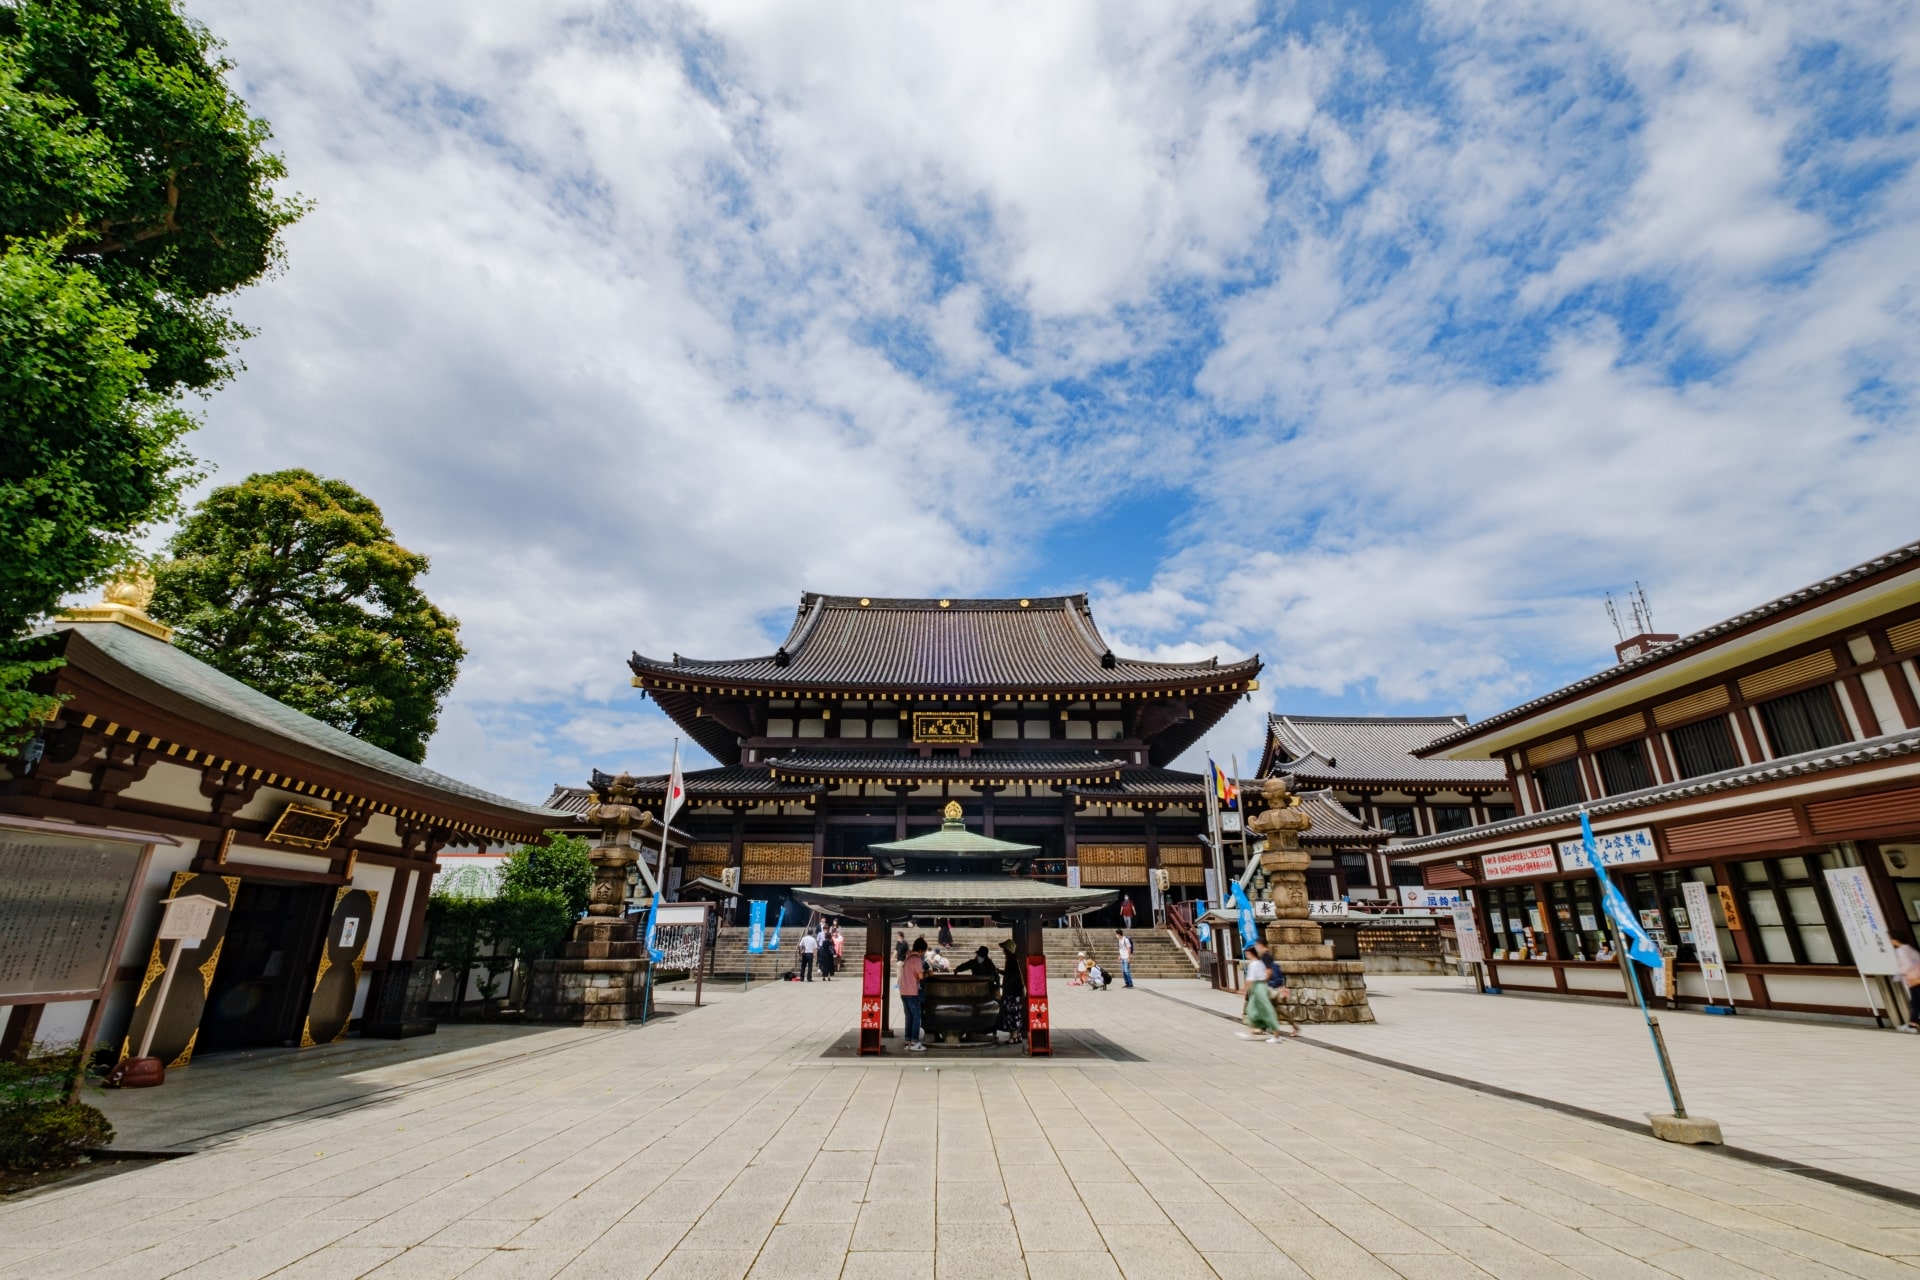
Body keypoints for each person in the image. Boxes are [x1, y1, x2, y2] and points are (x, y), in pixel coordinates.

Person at [1238, 944, 1284, 1041]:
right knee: (1253, 1010)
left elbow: (1250, 979)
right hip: (1260, 986)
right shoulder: (1259, 962)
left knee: (1266, 1010)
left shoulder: (1254, 964)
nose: (1246, 956)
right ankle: (1249, 1032)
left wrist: (1244, 990)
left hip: (1259, 987)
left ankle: (1276, 1036)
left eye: (1247, 954)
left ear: (1251, 954)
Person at [1257, 940, 1301, 1037]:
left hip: (1270, 986)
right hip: (1273, 986)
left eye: (1257, 945)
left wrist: (1262, 982)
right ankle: (1293, 1025)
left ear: (1261, 945)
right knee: (1276, 1009)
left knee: (1269, 1008)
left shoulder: (1265, 956)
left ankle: (1269, 1030)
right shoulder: (1268, 955)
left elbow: (1269, 971)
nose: (1257, 948)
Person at [995, 938, 1026, 1045]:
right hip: (1015, 992)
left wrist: (1005, 985)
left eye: (1004, 949)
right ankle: (1017, 1035)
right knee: (1016, 1013)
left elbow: (1013, 976)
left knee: (1011, 1013)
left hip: (1011, 992)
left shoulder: (1011, 960)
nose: (1003, 950)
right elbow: (1010, 974)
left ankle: (1013, 1035)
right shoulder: (1013, 959)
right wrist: (1001, 972)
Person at [899, 938, 928, 1052]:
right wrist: (928, 973)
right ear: (920, 950)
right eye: (924, 952)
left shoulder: (908, 957)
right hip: (912, 992)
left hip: (903, 991)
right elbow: (920, 977)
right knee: (916, 1016)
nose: (923, 954)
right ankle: (914, 1041)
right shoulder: (916, 959)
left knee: (909, 1016)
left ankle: (907, 1040)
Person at [1897, 938, 1920, 1032]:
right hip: (1915, 979)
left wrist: (1900, 971)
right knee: (1915, 1003)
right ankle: (1913, 1024)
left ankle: (1913, 1025)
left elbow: (1907, 965)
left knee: (1915, 1003)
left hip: (1914, 979)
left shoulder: (1902, 950)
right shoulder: (1908, 949)